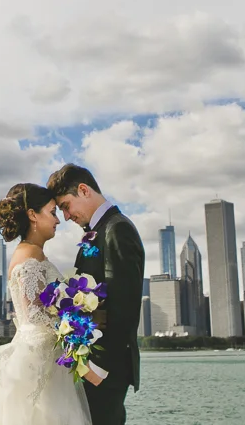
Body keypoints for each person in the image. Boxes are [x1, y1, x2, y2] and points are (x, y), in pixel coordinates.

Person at [0, 183, 98, 425]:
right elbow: (35, 314)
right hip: (36, 360)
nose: (58, 220)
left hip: (48, 357)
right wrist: (74, 327)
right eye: (53, 212)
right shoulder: (29, 256)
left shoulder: (35, 252)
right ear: (33, 215)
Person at [48, 164, 144, 425]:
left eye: (66, 205)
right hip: (91, 364)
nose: (66, 216)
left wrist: (97, 367)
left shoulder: (117, 229)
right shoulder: (100, 231)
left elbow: (123, 306)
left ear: (83, 190)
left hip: (104, 367)